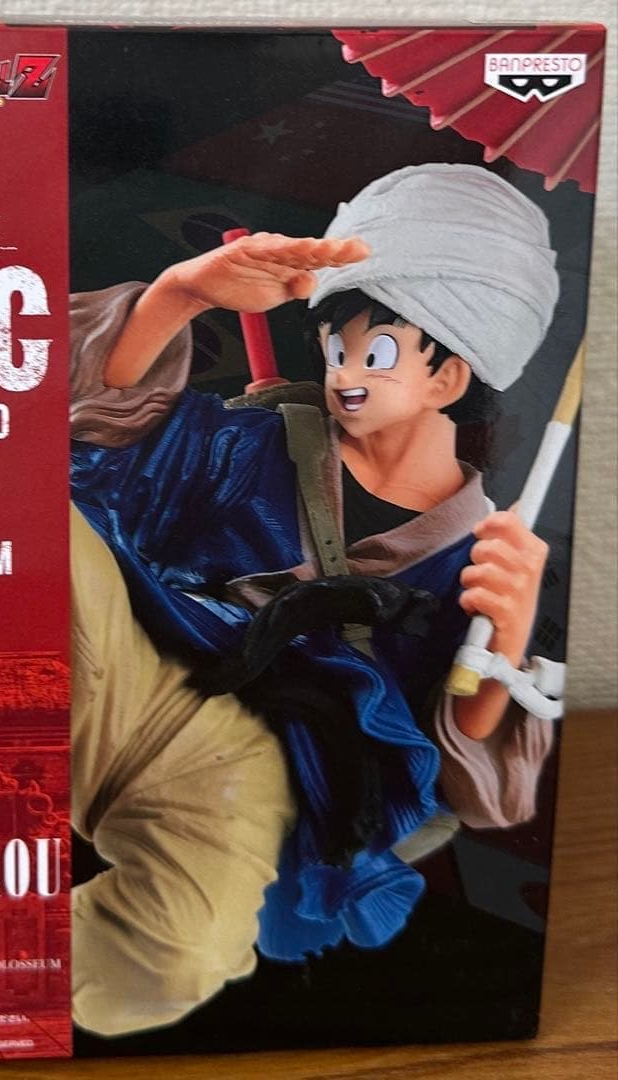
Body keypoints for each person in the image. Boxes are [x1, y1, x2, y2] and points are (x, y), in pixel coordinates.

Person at [69, 164, 558, 1036]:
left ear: (451, 376)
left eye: (378, 353)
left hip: (244, 782)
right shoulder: (252, 446)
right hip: (131, 680)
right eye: (337, 349)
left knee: (171, 958)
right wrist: (182, 296)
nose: (346, 375)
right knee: (24, 514)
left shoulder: (483, 563)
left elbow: (471, 790)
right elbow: (85, 432)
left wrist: (503, 649)